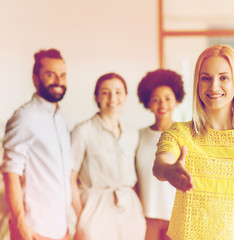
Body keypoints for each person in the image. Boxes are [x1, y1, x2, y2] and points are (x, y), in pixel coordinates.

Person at [153, 45, 234, 240]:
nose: (214, 86)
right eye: (206, 78)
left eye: (224, 77)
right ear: (197, 83)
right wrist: (168, 171)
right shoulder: (179, 133)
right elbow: (160, 163)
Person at [1, 49, 71, 240]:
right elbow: (10, 173)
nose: (58, 81)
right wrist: (22, 225)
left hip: (60, 228)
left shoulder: (61, 119)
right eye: (50, 74)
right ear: (35, 79)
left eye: (62, 75)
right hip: (34, 229)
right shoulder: (24, 117)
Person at [70, 73, 146, 240]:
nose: (112, 98)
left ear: (125, 96)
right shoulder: (83, 131)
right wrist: (81, 215)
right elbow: (70, 177)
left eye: (118, 92)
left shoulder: (132, 133)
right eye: (105, 92)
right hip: (95, 205)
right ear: (96, 97)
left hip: (129, 205)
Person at [136, 69, 185, 240]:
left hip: (179, 216)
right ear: (148, 103)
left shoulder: (185, 135)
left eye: (167, 98)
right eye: (156, 99)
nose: (162, 104)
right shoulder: (139, 136)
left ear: (177, 100)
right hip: (147, 217)